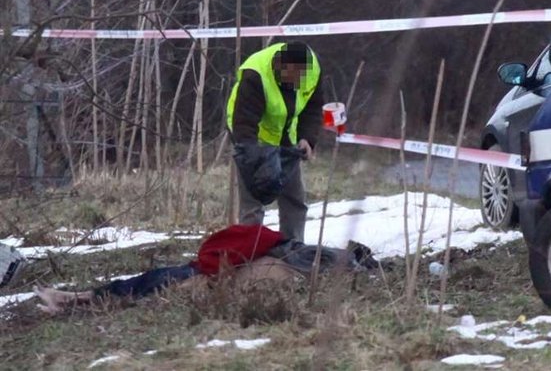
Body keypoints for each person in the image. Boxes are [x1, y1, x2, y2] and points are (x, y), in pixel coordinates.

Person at [33, 224, 377, 315]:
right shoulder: (293, 254)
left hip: (208, 273)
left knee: (151, 284)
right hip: (206, 271)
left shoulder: (299, 260)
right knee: (152, 283)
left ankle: (75, 297)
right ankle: (75, 297)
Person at [226, 41, 324, 241]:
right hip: (253, 138)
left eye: (296, 77)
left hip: (287, 137)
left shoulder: (313, 70)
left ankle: (293, 248)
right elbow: (244, 121)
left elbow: (313, 108)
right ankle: (249, 254)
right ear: (277, 67)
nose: (291, 82)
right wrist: (251, 157)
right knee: (253, 202)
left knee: (294, 198)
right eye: (286, 77)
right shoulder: (256, 75)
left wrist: (307, 139)